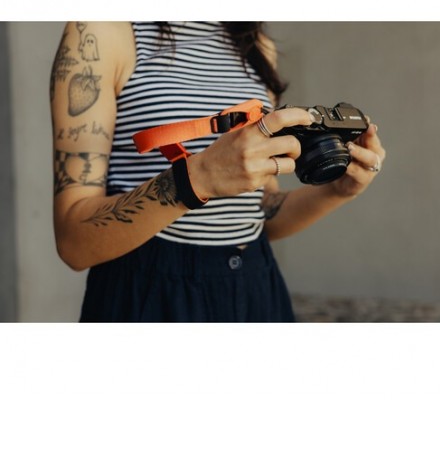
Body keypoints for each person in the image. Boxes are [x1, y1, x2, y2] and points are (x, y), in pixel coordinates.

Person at [50, 21, 386, 322]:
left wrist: (336, 191)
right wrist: (198, 178)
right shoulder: (98, 33)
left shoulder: (255, 43)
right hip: (147, 292)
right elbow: (74, 242)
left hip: (256, 284)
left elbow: (260, 210)